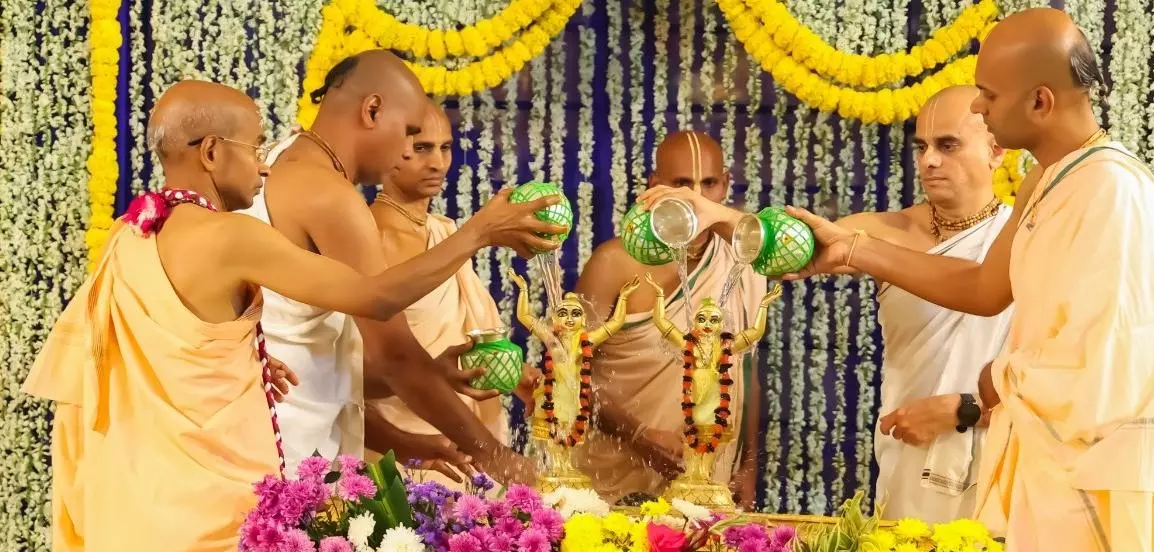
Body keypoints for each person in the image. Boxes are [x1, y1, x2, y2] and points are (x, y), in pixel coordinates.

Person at [22, 80, 537, 552]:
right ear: (211, 152)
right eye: (255, 145)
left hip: (151, 499)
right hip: (214, 513)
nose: (265, 162)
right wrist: (478, 232)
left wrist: (397, 436)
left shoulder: (133, 236)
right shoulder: (229, 237)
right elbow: (375, 298)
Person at [779, 9, 1154, 552]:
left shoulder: (1113, 192)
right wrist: (849, 251)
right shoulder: (1045, 181)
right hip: (1037, 477)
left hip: (1091, 494)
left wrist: (982, 390)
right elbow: (981, 289)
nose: (975, 106)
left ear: (1040, 100)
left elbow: (1104, 370)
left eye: (986, 96)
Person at [244, 49, 563, 480]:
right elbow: (393, 353)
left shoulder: (280, 159)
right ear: (372, 109)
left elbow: (315, 362)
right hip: (292, 454)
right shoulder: (330, 196)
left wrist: (419, 418)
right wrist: (496, 458)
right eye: (410, 134)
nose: (406, 151)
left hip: (273, 429)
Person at [837, 85, 1014, 523]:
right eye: (922, 146)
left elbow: (1058, 379)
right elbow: (789, 246)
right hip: (907, 466)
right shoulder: (885, 233)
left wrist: (966, 410)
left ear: (996, 151)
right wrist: (716, 217)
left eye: (947, 145)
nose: (929, 161)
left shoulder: (1026, 239)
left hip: (1006, 473)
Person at [574, 130, 767, 506]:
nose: (695, 198)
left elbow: (747, 371)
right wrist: (639, 436)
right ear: (654, 186)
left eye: (708, 184)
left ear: (725, 185)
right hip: (613, 482)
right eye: (681, 184)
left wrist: (748, 467)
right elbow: (567, 372)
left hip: (709, 477)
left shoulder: (740, 262)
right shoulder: (613, 263)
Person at [366, 101, 539, 485]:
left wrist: (508, 374)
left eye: (445, 147)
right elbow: (374, 363)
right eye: (422, 148)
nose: (438, 163)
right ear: (387, 148)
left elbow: (454, 338)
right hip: (406, 452)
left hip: (470, 445)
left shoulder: (442, 231)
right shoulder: (370, 237)